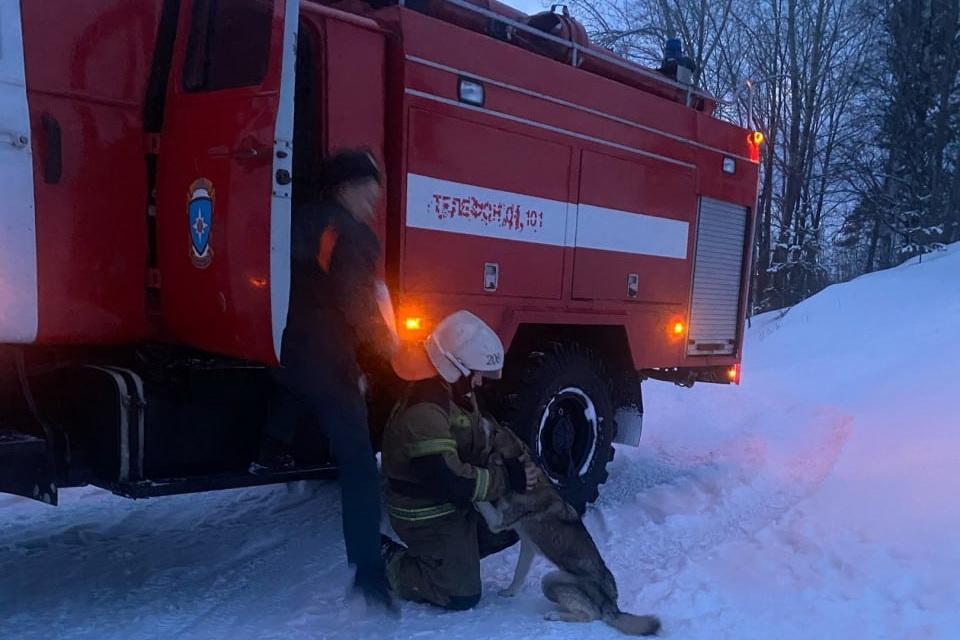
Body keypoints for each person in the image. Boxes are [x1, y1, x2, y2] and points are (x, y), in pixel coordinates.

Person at [252, 149, 396, 612]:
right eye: (369, 190)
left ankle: (269, 451)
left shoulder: (299, 218)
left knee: (294, 388)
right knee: (357, 464)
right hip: (328, 358)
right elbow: (358, 304)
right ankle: (370, 572)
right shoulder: (351, 234)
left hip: (283, 344)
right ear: (347, 188)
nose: (374, 200)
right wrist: (385, 352)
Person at [380, 310, 538, 610]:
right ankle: (389, 559)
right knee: (461, 595)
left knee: (510, 527)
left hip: (451, 503)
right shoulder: (424, 410)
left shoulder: (452, 392)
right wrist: (507, 478)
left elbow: (479, 434)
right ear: (456, 366)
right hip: (426, 512)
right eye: (476, 372)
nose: (479, 381)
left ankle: (450, 556)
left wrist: (518, 459)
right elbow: (448, 481)